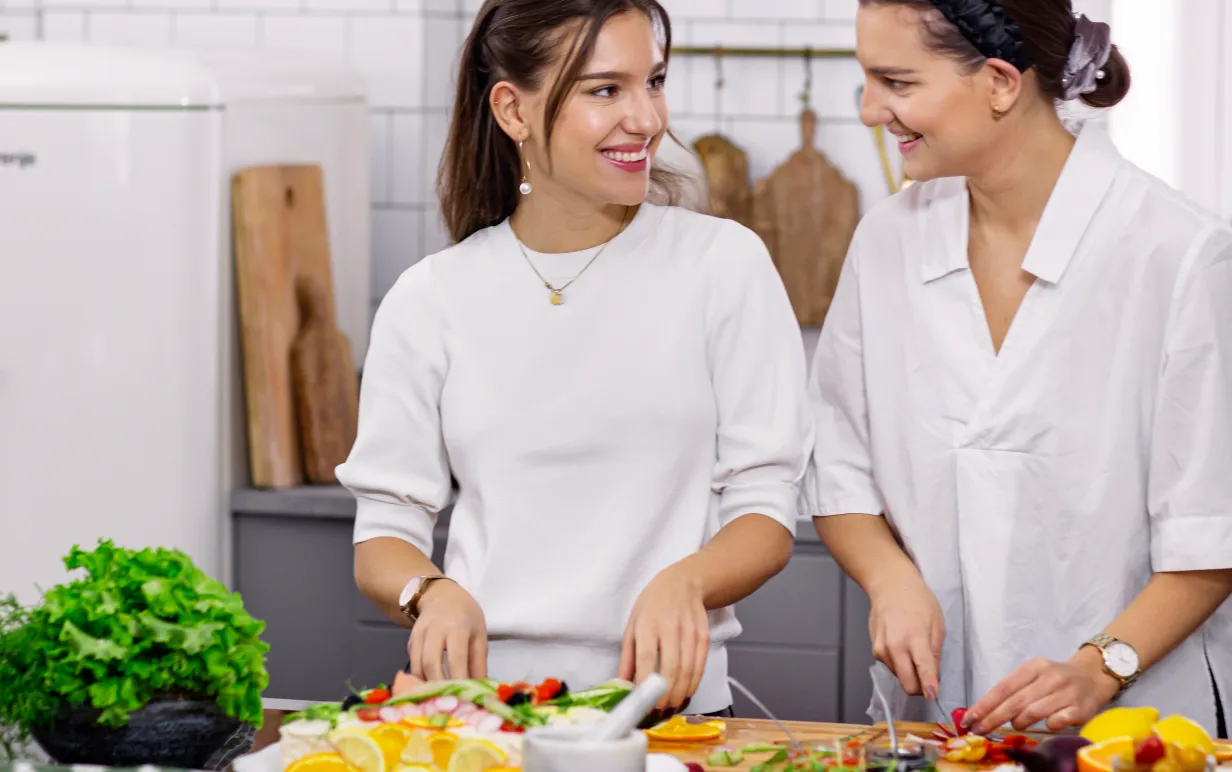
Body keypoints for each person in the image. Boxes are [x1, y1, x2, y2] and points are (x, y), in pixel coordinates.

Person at [335, 0, 812, 717]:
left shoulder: (723, 265)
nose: (646, 118)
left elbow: (766, 508)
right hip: (486, 716)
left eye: (654, 82)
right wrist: (430, 593)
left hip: (671, 713)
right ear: (513, 110)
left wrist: (689, 580)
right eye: (605, 90)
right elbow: (384, 531)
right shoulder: (430, 298)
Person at [803, 0, 1232, 736]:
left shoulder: (1181, 252)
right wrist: (890, 577)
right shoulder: (886, 242)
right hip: (942, 717)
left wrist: (1099, 668)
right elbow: (839, 468)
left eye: (897, 82)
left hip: (1138, 721)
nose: (871, 110)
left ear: (1001, 82)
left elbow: (1211, 533)